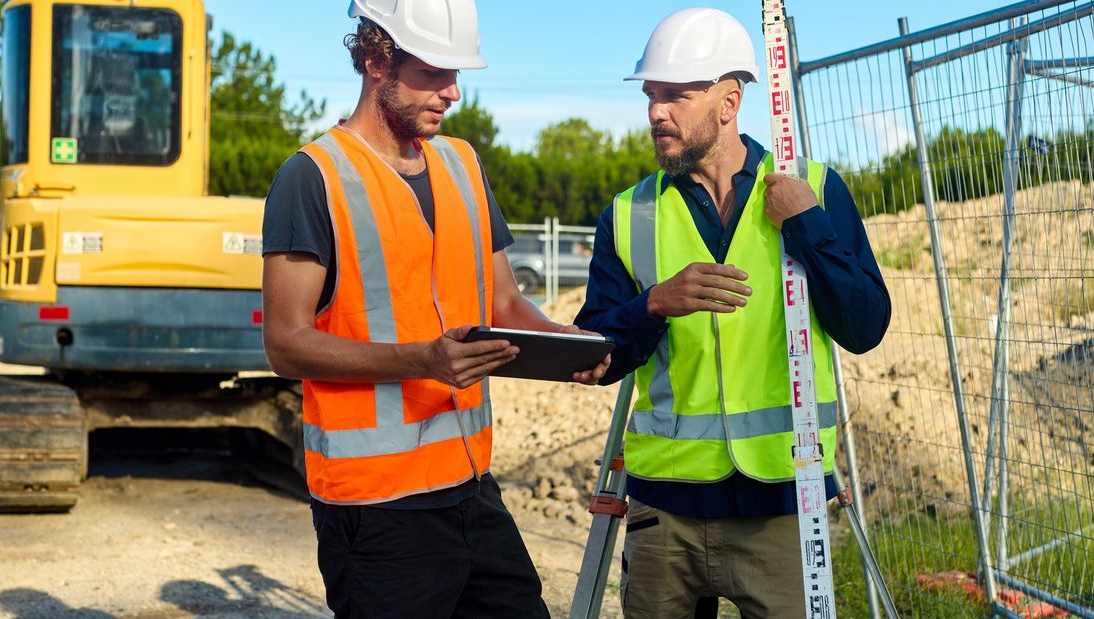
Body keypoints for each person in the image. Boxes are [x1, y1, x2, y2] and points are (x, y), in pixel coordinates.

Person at [260, 1, 608, 616]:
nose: (453, 92)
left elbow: (503, 300)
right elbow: (285, 344)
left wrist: (564, 346)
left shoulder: (462, 162)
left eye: (457, 73)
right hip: (374, 509)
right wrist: (422, 358)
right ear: (375, 59)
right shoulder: (312, 177)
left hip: (472, 488)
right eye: (434, 72)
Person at [574, 7, 891, 618]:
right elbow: (599, 354)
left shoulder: (816, 190)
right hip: (663, 512)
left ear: (728, 102)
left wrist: (808, 227)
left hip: (782, 504)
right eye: (650, 96)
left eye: (675, 96)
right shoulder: (629, 213)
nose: (655, 113)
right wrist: (653, 304)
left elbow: (865, 326)